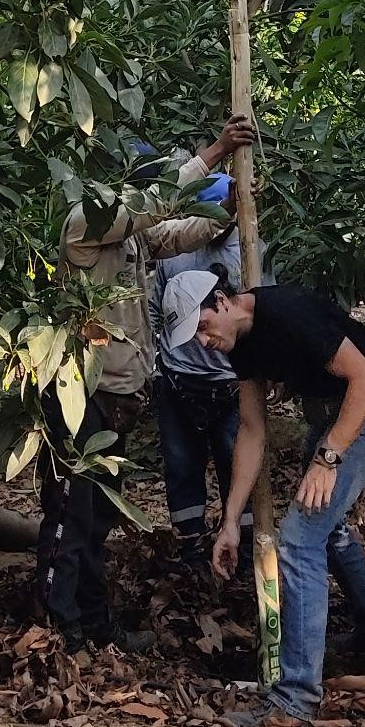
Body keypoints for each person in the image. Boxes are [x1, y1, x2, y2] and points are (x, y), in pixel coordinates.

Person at [36, 116, 253, 652]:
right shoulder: (86, 223)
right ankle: (57, 628)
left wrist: (222, 214)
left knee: (99, 515)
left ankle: (93, 623)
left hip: (114, 398)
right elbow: (154, 205)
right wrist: (215, 152)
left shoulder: (130, 235)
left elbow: (174, 231)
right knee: (71, 515)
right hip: (76, 393)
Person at [159, 273, 365, 727]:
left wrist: (327, 459)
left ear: (223, 300)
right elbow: (252, 430)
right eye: (193, 336)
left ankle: (295, 699)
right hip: (331, 416)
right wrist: (230, 520)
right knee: (326, 529)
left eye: (204, 326)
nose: (203, 341)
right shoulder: (242, 346)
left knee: (299, 539)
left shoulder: (290, 314)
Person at [147, 189, 265, 571]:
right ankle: (192, 549)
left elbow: (263, 307)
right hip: (179, 380)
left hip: (232, 382)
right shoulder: (177, 246)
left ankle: (243, 550)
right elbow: (153, 306)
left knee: (238, 463)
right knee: (182, 467)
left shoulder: (249, 249)